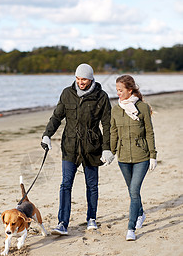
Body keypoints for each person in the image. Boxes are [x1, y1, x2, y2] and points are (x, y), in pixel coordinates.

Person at [41, 63, 114, 235]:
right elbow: (57, 116)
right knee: (65, 184)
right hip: (70, 147)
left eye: (84, 79)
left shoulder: (101, 97)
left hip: (92, 147)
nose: (81, 82)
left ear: (91, 79)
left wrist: (107, 148)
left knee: (92, 185)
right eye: (78, 78)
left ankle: (91, 218)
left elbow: (107, 124)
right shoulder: (67, 93)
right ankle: (62, 223)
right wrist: (47, 135)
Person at [110, 74, 157, 241]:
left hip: (141, 157)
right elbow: (114, 133)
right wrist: (111, 151)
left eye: (121, 90)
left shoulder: (142, 108)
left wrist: (153, 155)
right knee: (132, 192)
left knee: (134, 190)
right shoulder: (116, 110)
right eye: (117, 90)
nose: (118, 94)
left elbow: (149, 133)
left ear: (130, 90)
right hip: (123, 158)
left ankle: (131, 228)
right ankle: (141, 213)